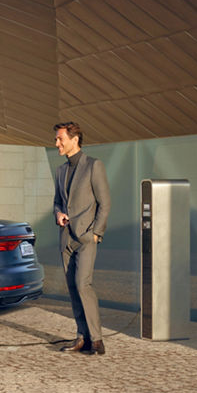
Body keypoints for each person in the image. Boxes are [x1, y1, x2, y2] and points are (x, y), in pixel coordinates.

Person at [52, 122, 111, 355]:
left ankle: (96, 339)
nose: (56, 143)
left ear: (74, 140)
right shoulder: (60, 170)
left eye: (60, 139)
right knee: (72, 288)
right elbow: (57, 201)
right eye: (56, 139)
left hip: (86, 238)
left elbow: (105, 203)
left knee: (82, 284)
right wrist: (58, 213)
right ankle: (81, 337)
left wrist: (96, 233)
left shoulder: (94, 166)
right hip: (66, 238)